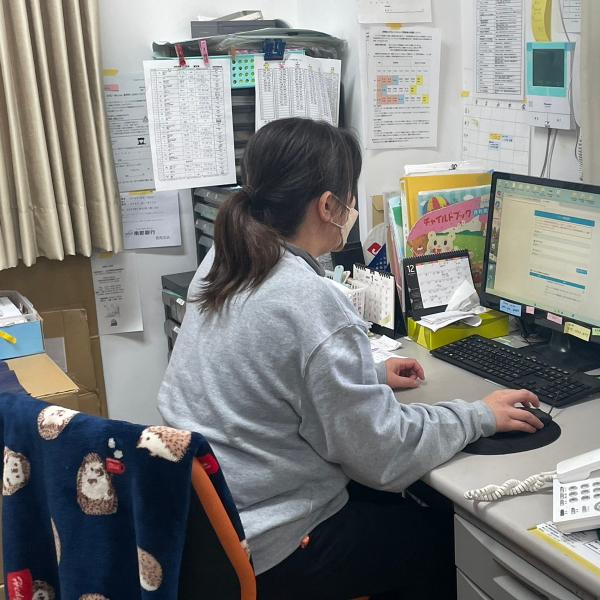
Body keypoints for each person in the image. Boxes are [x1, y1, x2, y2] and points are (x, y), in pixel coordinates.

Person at [158, 117, 543, 599]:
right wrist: (478, 415)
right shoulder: (307, 298)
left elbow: (263, 369)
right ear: (327, 205)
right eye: (351, 197)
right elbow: (385, 456)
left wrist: (368, 374)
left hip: (217, 527)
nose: (355, 209)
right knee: (447, 537)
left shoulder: (224, 260)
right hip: (281, 544)